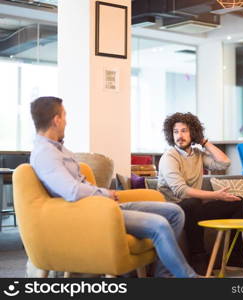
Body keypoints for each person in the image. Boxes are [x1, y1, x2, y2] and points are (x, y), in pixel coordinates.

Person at [29, 96, 197, 278]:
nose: (66, 122)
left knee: (175, 212)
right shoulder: (45, 154)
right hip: (94, 213)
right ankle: (189, 278)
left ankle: (162, 275)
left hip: (103, 206)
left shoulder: (57, 149)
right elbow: (72, 191)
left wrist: (106, 195)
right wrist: (104, 193)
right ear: (57, 119)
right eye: (65, 116)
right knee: (160, 225)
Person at [157, 112, 243, 274]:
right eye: (176, 132)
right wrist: (215, 195)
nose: (179, 136)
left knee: (239, 202)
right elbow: (181, 191)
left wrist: (204, 141)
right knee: (192, 203)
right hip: (173, 210)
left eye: (184, 130)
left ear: (193, 132)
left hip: (194, 207)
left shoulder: (198, 154)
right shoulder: (169, 157)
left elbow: (224, 163)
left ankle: (235, 256)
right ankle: (198, 257)